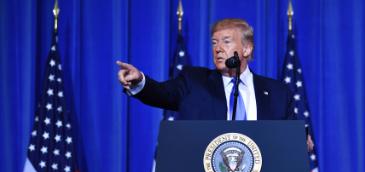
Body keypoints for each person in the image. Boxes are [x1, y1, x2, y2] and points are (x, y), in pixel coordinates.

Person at [117, 18, 314, 149]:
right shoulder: (194, 82)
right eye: (214, 43)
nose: (218, 49)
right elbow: (161, 93)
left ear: (246, 49)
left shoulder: (277, 91)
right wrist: (140, 81)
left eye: (226, 42)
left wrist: (300, 140)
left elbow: (293, 134)